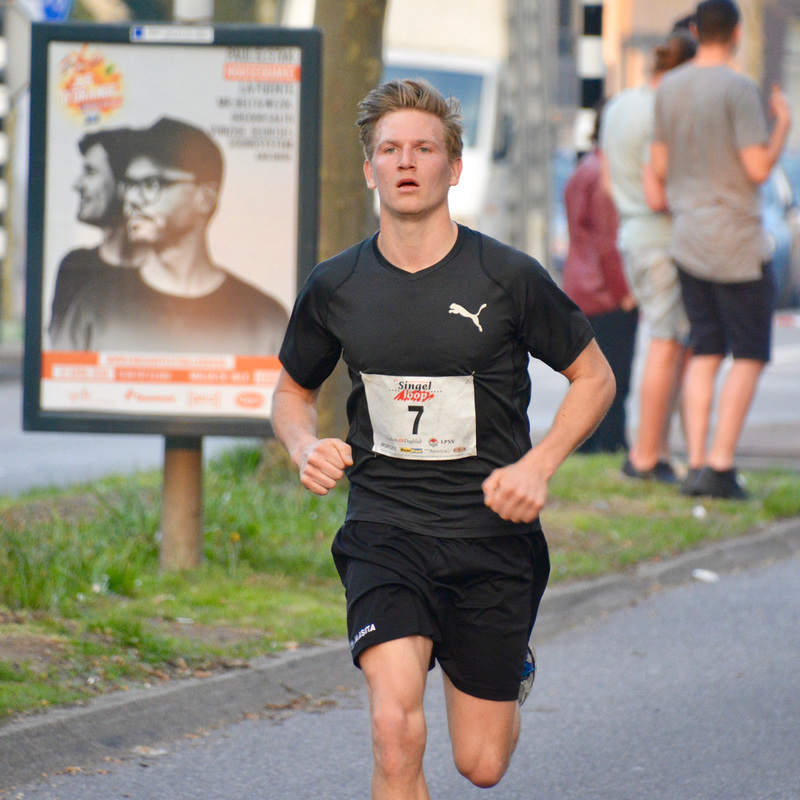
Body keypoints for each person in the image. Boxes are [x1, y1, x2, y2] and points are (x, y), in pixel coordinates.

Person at [271, 78, 615, 797]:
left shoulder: (508, 277)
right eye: (389, 149)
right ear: (369, 169)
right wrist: (305, 446)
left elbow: (596, 379)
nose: (406, 161)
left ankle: (507, 667)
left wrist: (538, 465)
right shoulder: (336, 285)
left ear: (452, 168)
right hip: (385, 529)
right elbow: (292, 393)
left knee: (480, 765)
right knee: (395, 731)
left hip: (491, 535)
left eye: (424, 148)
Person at [651, 0, 792, 498]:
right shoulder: (738, 89)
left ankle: (695, 465)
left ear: (693, 29)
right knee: (749, 353)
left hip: (688, 237)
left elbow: (660, 169)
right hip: (736, 237)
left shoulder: (668, 88)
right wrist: (782, 126)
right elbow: (757, 170)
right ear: (734, 34)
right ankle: (721, 464)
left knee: (706, 348)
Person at [53, 117, 288, 355]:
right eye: (129, 185)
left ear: (205, 198)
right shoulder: (92, 308)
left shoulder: (267, 320)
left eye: (151, 184)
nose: (131, 200)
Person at [600, 29, 697, 482]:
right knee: (666, 344)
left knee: (661, 343)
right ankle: (645, 457)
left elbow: (605, 182)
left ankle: (653, 451)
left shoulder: (619, 105)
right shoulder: (667, 110)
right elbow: (660, 191)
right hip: (661, 237)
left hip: (631, 234)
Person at [562, 108, 638, 454]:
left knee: (586, 376)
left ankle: (586, 443)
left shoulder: (583, 169)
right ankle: (609, 445)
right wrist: (624, 292)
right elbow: (610, 243)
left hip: (579, 286)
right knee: (613, 378)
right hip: (604, 292)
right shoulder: (605, 176)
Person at [48, 127, 140, 344]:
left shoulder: (163, 274)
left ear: (123, 185)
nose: (77, 184)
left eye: (90, 172)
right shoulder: (73, 266)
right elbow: (58, 352)